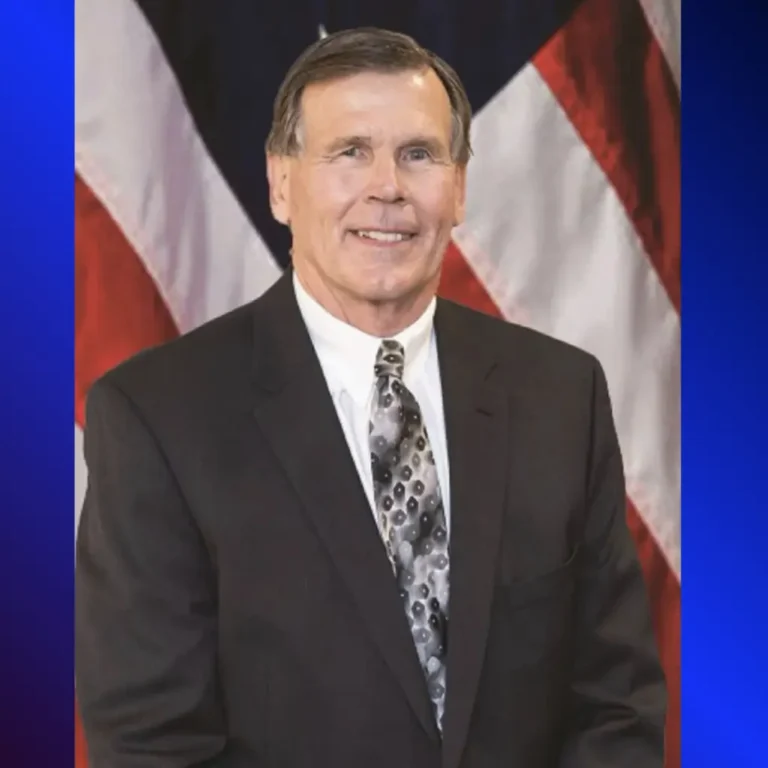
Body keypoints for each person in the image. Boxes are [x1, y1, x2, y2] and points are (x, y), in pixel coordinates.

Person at [75, 27, 667, 768]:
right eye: (350, 152)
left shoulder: (561, 396)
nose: (387, 187)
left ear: (458, 187)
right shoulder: (158, 418)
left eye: (418, 154)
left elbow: (615, 706)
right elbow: (151, 744)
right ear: (281, 184)